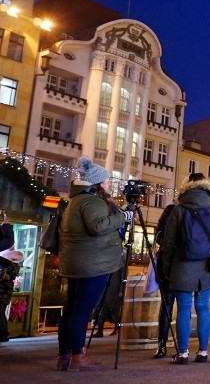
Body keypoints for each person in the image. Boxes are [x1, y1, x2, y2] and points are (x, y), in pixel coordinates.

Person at [56, 157, 131, 371]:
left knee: (72, 309)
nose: (108, 185)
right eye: (106, 182)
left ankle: (65, 355)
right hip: (93, 265)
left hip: (78, 262)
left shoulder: (76, 201)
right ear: (97, 183)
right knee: (81, 310)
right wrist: (124, 216)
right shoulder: (92, 201)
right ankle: (78, 356)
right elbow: (98, 226)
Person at [160, 172, 210, 364]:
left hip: (182, 266)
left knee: (183, 309)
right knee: (203, 308)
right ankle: (203, 352)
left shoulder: (178, 210)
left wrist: (165, 269)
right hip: (206, 266)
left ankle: (182, 354)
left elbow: (168, 242)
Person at [152, 198, 177, 358]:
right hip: (170, 261)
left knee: (177, 304)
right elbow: (159, 235)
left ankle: (179, 346)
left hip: (178, 262)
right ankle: (162, 342)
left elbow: (159, 235)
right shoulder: (171, 210)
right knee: (168, 304)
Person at [0, 247, 24, 344]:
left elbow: (4, 277)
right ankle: (4, 334)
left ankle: (3, 335)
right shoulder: (11, 266)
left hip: (3, 294)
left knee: (1, 315)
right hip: (4, 293)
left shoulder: (11, 266)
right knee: (1, 315)